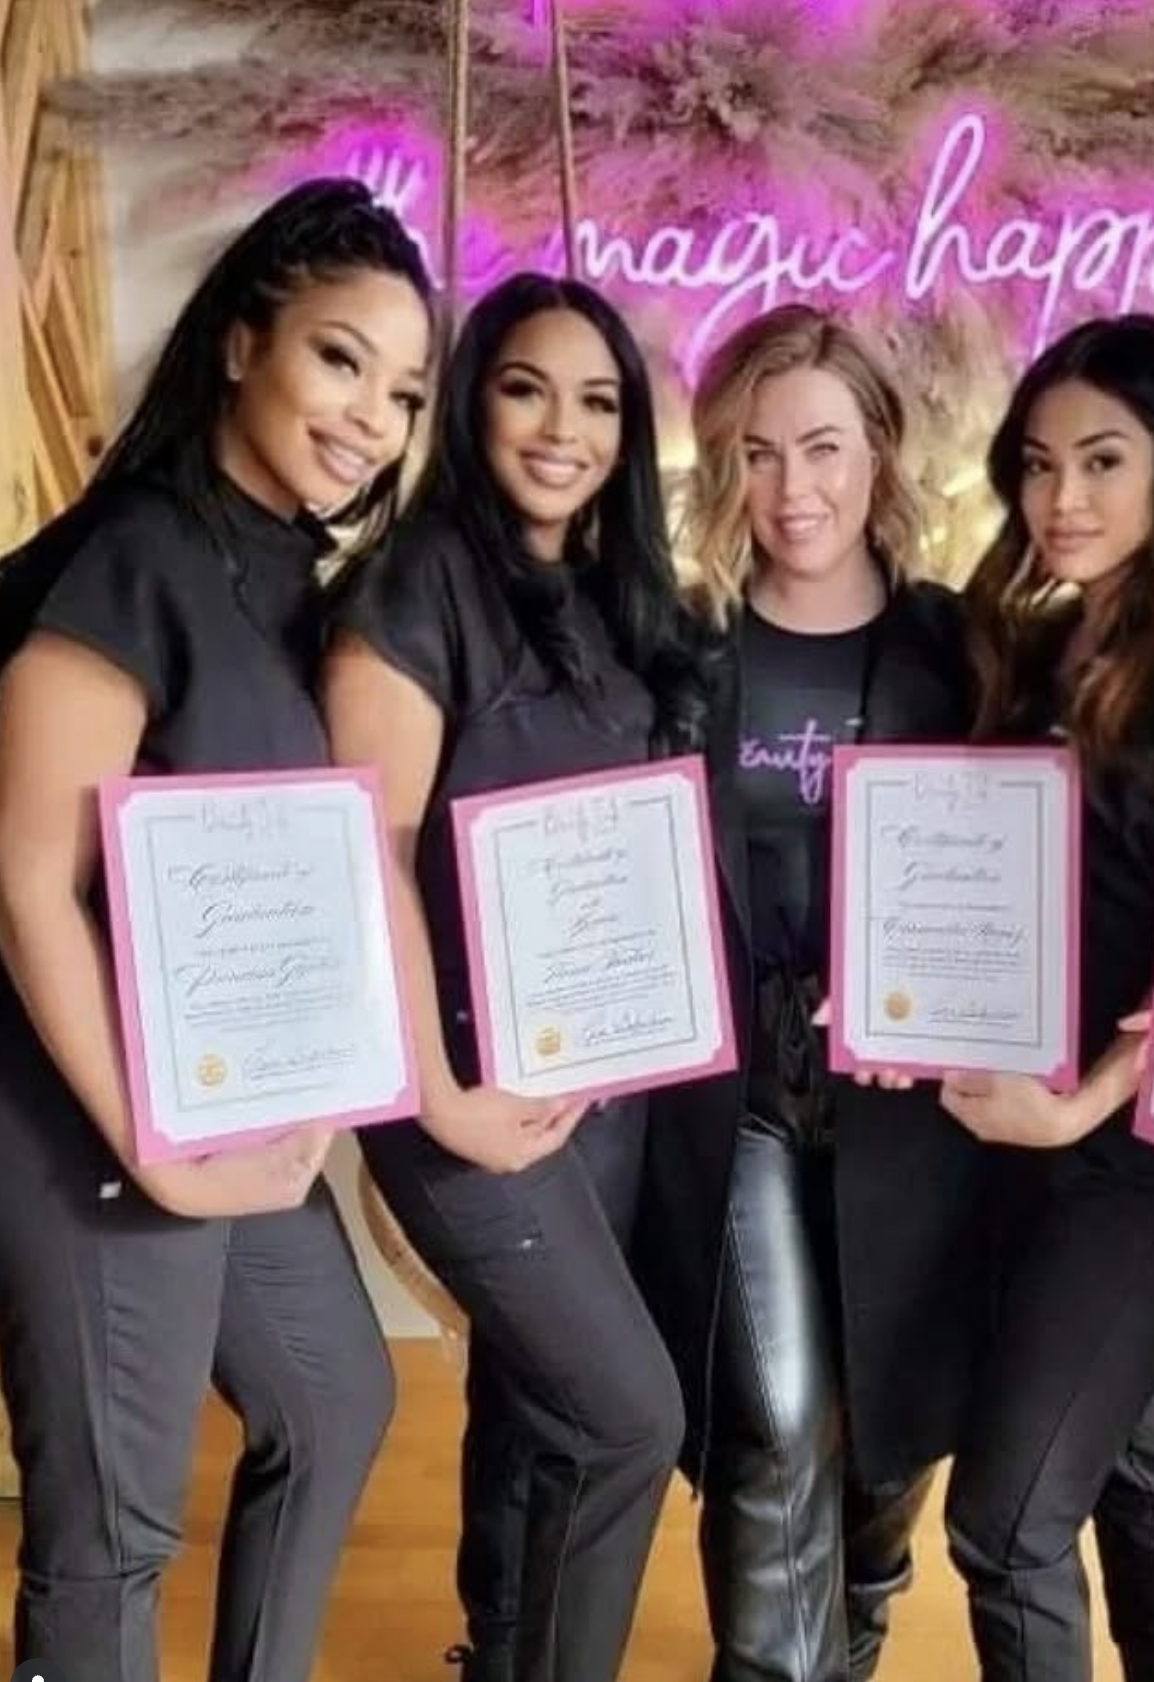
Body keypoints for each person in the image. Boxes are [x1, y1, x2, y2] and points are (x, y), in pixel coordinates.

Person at [0, 178, 432, 1682]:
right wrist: (147, 1135)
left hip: (223, 1101)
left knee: (332, 1397)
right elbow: (28, 883)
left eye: (402, 389)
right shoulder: (135, 558)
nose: (371, 415)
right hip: (85, 1110)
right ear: (244, 339)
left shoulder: (292, 576)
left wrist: (303, 1075)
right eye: (339, 360)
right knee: (108, 1534)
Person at [323, 272, 702, 1682]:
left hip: (593, 1087)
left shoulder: (607, 601)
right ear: (471, 397)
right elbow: (369, 860)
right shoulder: (414, 589)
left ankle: (502, 1647)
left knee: (538, 1404)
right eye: (526, 387)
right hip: (470, 1089)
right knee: (628, 1418)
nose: (564, 428)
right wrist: (440, 1096)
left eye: (599, 400)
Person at [637, 303, 990, 1682]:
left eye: (824, 448)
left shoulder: (961, 649)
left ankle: (864, 1595)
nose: (794, 490)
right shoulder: (685, 650)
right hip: (741, 1090)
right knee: (775, 1412)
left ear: (881, 451)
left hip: (905, 1095)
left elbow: (1029, 860)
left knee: (891, 1420)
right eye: (760, 452)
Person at [940, 313, 1154, 1682]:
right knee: (1130, 1453)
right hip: (1037, 1121)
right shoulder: (1037, 644)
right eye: (1035, 463)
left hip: (1148, 1149)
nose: (1059, 498)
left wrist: (1075, 1101)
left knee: (1005, 1517)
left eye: (1101, 461)